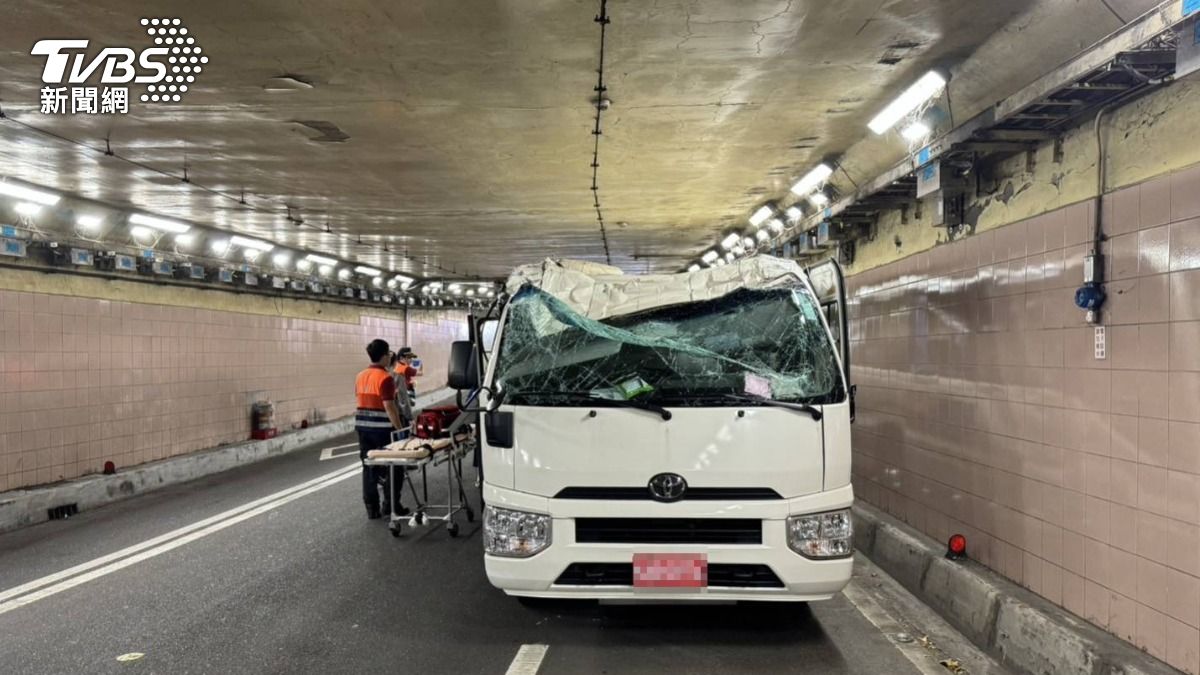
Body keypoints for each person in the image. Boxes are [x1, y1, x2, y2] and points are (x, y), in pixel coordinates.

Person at [355, 339, 406, 520]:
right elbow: (389, 407)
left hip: (362, 429)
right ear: (385, 356)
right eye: (389, 354)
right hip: (382, 431)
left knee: (369, 467)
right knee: (395, 466)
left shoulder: (360, 376)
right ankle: (391, 505)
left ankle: (372, 508)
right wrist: (400, 430)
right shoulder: (385, 378)